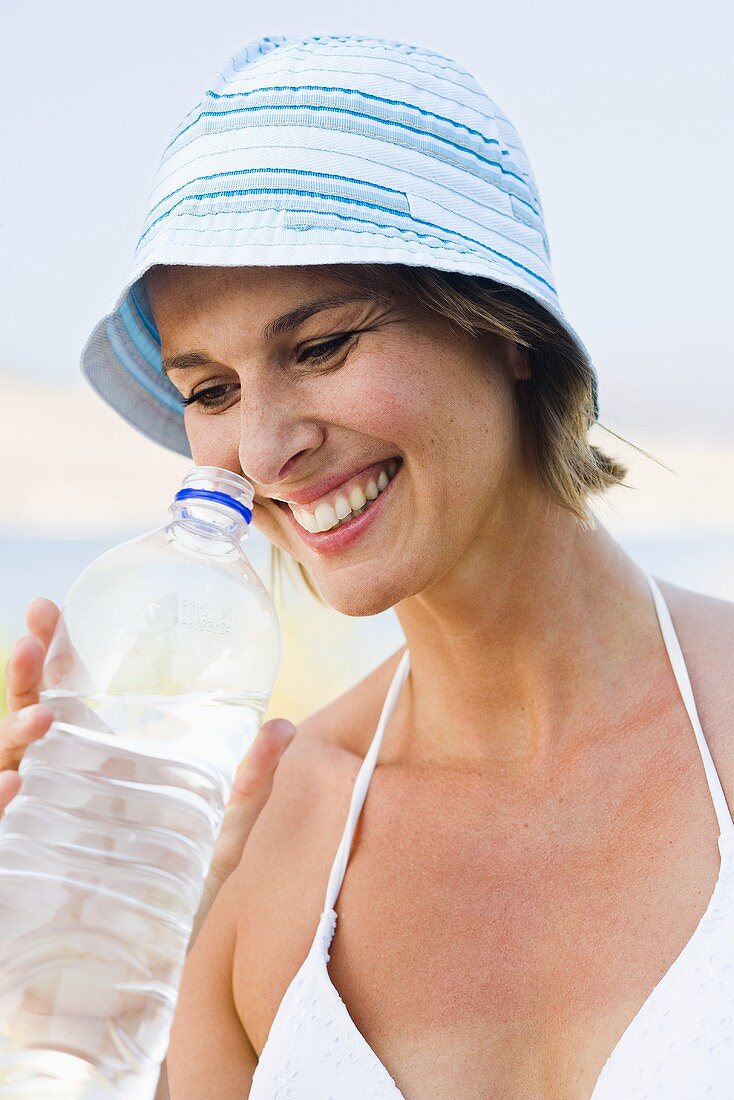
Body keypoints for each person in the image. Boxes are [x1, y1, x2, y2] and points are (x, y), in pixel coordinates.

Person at [2, 33, 733, 1100]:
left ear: (507, 329)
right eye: (208, 391)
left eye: (321, 346)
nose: (262, 451)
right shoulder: (258, 843)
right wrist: (72, 996)